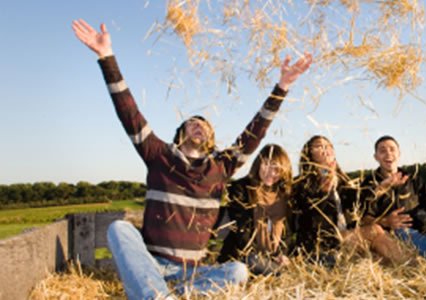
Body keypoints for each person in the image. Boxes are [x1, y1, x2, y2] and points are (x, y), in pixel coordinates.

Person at [72, 19, 312, 299]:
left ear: (211, 137)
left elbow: (255, 132)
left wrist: (281, 86)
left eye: (205, 125)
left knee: (237, 272)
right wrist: (106, 57)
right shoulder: (159, 155)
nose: (200, 126)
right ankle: (159, 294)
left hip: (193, 273)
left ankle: (161, 295)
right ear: (180, 133)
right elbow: (129, 112)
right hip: (152, 265)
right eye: (193, 123)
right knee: (119, 228)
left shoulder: (221, 167)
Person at [293, 135, 408, 265]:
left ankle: (410, 267)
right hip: (321, 242)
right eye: (319, 146)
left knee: (378, 249)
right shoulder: (302, 184)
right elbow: (307, 220)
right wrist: (323, 194)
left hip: (345, 238)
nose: (325, 149)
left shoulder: (341, 181)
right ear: (309, 154)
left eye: (329, 146)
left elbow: (357, 200)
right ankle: (409, 265)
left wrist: (382, 187)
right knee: (375, 230)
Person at [215, 144, 294, 275]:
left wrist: (282, 255)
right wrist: (260, 256)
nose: (271, 172)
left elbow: (287, 233)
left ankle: (273, 269)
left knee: (284, 270)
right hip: (245, 256)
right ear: (258, 163)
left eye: (277, 168)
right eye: (267, 164)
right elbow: (242, 232)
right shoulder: (240, 188)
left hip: (271, 258)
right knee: (266, 267)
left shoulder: (284, 195)